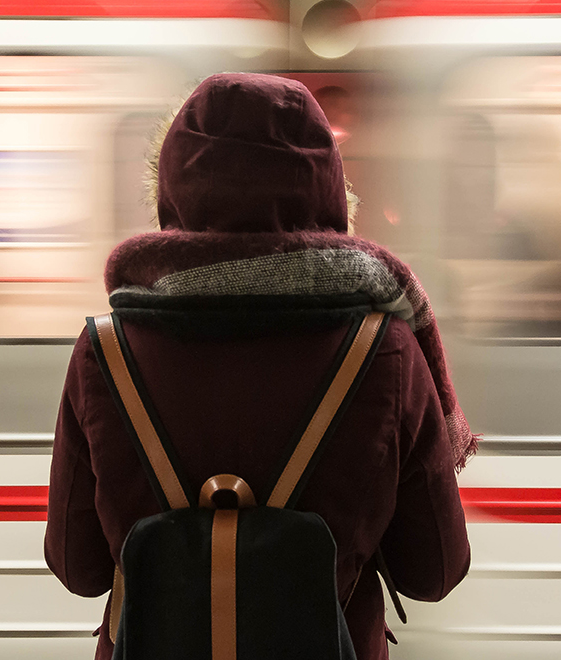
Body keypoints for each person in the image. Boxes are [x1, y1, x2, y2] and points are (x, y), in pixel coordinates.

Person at [45, 73, 475, 660]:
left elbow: (78, 567)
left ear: (171, 190)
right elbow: (435, 571)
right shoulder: (388, 349)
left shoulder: (106, 350)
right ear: (327, 190)